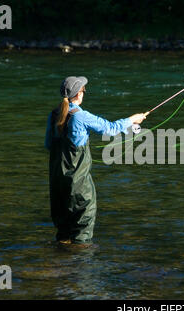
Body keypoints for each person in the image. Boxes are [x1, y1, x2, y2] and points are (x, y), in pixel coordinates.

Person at [45, 76, 147, 247]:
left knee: (63, 230)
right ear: (78, 94)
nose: (84, 93)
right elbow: (111, 128)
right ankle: (79, 266)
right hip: (78, 183)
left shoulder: (53, 114)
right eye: (84, 90)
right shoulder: (81, 116)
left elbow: (49, 145)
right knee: (82, 227)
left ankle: (60, 264)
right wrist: (133, 119)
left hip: (56, 182)